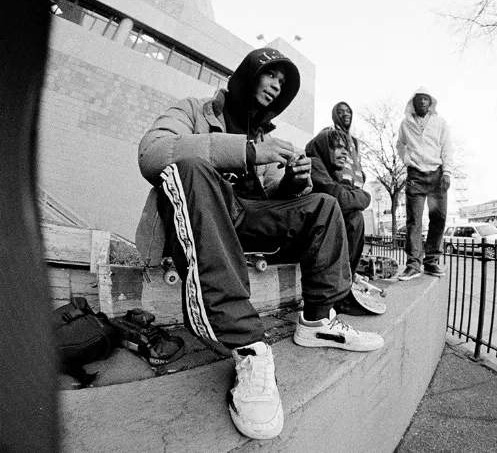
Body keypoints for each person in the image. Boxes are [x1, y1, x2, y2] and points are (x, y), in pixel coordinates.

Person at [135, 47, 384, 441]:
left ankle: (318, 319)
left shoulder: (266, 136)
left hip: (246, 217)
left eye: (283, 85)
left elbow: (271, 199)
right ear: (249, 73)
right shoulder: (194, 110)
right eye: (271, 76)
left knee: (323, 204)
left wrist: (294, 181)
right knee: (191, 166)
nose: (275, 87)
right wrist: (248, 152)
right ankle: (248, 345)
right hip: (203, 210)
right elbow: (152, 153)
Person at [305, 102, 374, 315]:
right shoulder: (314, 163)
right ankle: (339, 296)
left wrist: (360, 197)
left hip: (324, 226)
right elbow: (339, 197)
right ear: (325, 148)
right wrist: (365, 197)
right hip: (307, 230)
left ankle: (345, 290)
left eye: (346, 149)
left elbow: (344, 195)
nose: (344, 155)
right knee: (353, 217)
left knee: (354, 216)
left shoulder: (331, 168)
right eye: (338, 148)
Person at [396, 87, 453, 280]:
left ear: (431, 103)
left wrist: (447, 172)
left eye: (426, 99)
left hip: (437, 175)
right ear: (413, 102)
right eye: (419, 99)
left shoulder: (440, 122)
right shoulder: (405, 124)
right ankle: (413, 265)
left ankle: (431, 262)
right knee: (414, 221)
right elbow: (400, 145)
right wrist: (406, 159)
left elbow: (447, 149)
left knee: (439, 218)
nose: (422, 102)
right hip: (415, 177)